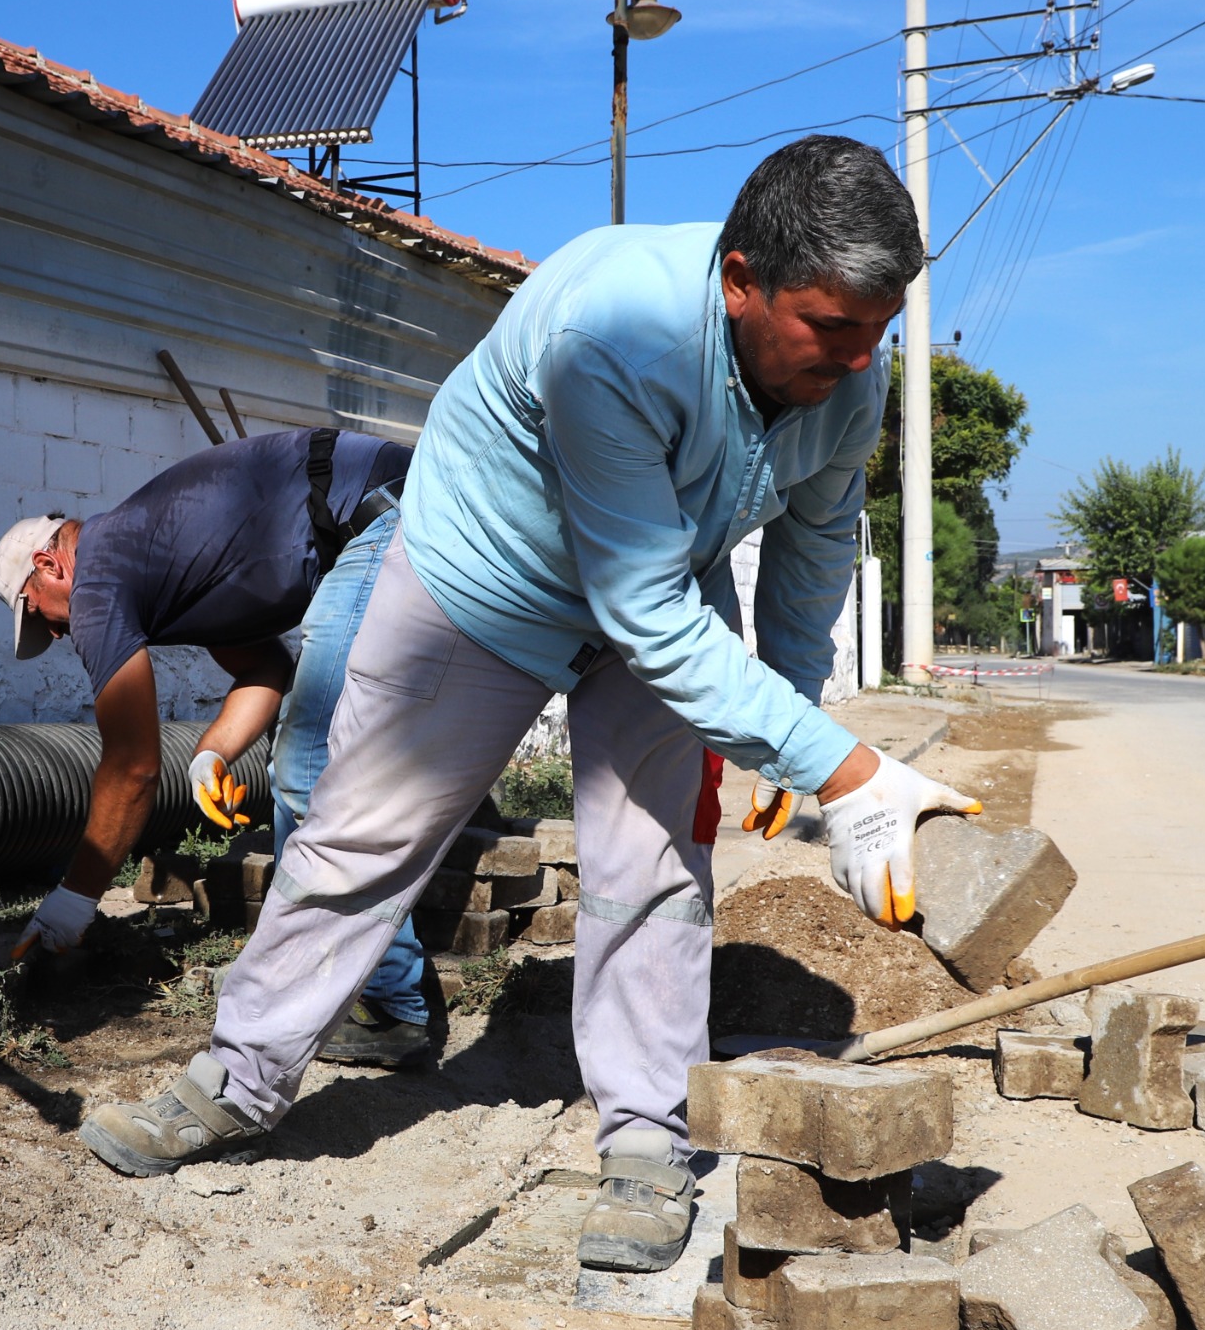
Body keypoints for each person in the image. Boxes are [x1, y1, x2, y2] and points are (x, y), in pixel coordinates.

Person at [78, 137, 980, 1271]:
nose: (858, 362)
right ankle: (236, 1077)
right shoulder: (610, 327)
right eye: (831, 329)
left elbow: (810, 545)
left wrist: (789, 714)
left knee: (652, 861)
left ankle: (647, 1140)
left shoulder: (850, 379)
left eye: (877, 331)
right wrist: (846, 773)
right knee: (362, 832)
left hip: (658, 581)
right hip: (482, 574)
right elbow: (643, 606)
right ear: (740, 278)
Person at [0, 426, 441, 1069]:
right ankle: (342, 984)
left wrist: (74, 900)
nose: (58, 634)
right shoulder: (161, 565)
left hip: (382, 512)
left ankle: (391, 1008)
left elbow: (132, 766)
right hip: (385, 510)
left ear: (48, 566)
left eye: (40, 615)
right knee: (324, 765)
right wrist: (212, 756)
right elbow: (265, 669)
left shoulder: (97, 579)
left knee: (313, 774)